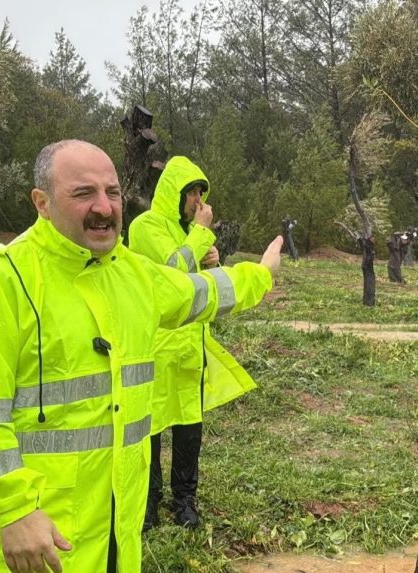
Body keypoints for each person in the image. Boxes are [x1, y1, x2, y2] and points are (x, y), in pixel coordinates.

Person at [0, 140, 282, 573]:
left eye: (113, 192)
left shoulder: (131, 274)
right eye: (83, 193)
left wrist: (262, 274)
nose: (104, 207)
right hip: (38, 542)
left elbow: (202, 292)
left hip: (116, 535)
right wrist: (15, 509)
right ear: (42, 203)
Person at [128, 157, 261, 531]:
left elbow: (202, 288)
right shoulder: (145, 226)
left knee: (189, 430)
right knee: (149, 430)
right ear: (174, 192)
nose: (198, 200)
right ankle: (148, 501)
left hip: (189, 350)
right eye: (192, 192)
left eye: (201, 192)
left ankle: (185, 500)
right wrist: (201, 235)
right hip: (155, 349)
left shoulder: (191, 232)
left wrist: (213, 263)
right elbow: (172, 272)